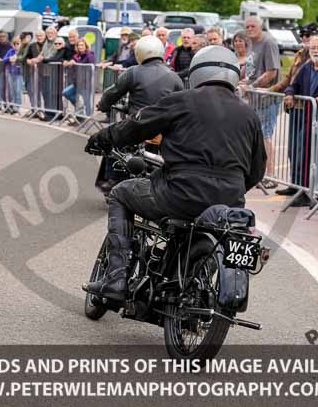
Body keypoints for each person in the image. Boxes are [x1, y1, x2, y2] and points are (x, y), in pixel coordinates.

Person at [84, 45, 267, 301]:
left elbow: (136, 125)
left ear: (196, 73)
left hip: (178, 195)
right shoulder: (249, 115)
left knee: (120, 193)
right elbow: (257, 170)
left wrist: (102, 138)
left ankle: (116, 278)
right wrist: (227, 187)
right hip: (229, 202)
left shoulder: (182, 100)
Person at [95, 35, 185, 194]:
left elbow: (113, 92)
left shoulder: (133, 72)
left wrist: (103, 105)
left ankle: (111, 179)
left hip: (138, 126)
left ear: (139, 53)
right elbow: (182, 102)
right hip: (164, 128)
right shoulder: (174, 76)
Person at [284, 36, 318, 207]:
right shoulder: (306, 67)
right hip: (307, 119)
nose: (316, 51)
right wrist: (290, 93)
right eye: (313, 48)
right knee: (302, 156)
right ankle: (303, 192)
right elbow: (294, 84)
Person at [242, 17, 281, 189]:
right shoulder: (251, 43)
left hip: (267, 99)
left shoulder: (268, 42)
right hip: (253, 98)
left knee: (266, 136)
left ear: (261, 27)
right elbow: (251, 69)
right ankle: (258, 173)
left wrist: (250, 86)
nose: (250, 29)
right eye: (247, 26)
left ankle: (270, 175)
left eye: (253, 26)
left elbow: (272, 72)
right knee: (254, 137)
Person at [62, 37, 96, 122]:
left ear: (86, 46)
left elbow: (92, 65)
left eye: (82, 45)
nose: (80, 47)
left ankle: (88, 119)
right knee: (66, 93)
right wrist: (68, 62)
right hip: (76, 82)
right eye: (79, 45)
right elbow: (71, 62)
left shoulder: (90, 55)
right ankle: (80, 110)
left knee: (87, 101)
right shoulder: (76, 55)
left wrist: (76, 63)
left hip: (86, 83)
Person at [2, 35, 24, 114]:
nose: (16, 45)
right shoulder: (10, 51)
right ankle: (13, 106)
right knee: (11, 90)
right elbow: (4, 59)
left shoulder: (23, 51)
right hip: (10, 73)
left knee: (18, 91)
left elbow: (24, 59)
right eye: (14, 44)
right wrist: (9, 59)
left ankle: (18, 107)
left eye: (18, 43)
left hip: (19, 74)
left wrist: (17, 59)